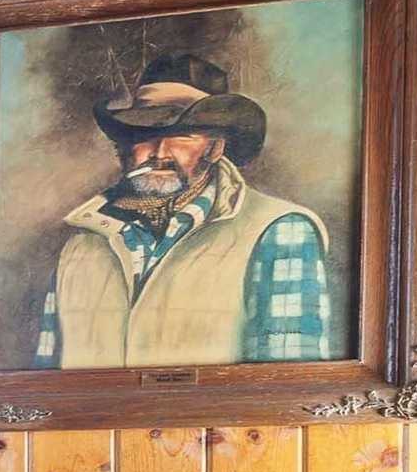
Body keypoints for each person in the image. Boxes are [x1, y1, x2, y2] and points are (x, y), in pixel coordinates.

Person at [32, 52, 334, 368]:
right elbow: (45, 385)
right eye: (144, 134)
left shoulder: (279, 230)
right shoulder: (80, 246)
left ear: (215, 148)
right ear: (125, 147)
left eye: (182, 135)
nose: (160, 152)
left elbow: (291, 386)